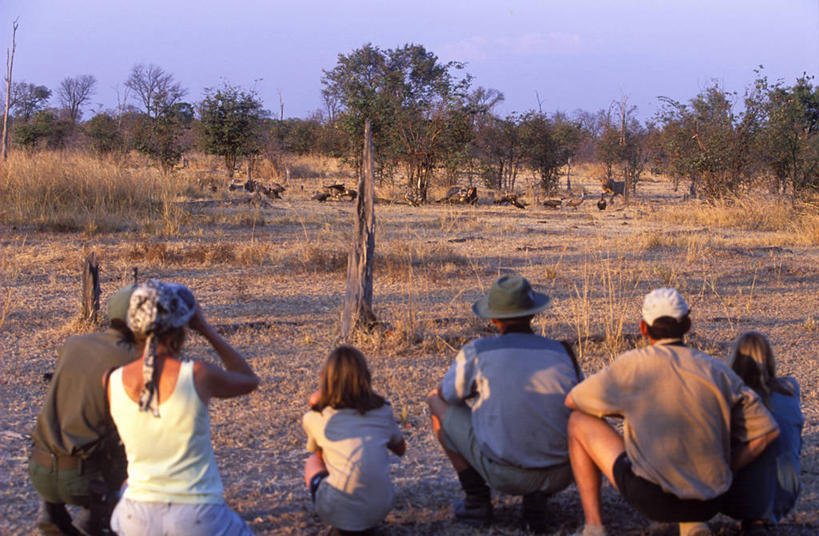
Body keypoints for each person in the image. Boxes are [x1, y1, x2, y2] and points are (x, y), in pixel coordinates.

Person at [564, 288, 781, 536]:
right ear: (687, 324)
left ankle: (594, 528)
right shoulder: (717, 371)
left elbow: (573, 400)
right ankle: (692, 525)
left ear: (643, 328)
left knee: (578, 421)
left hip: (654, 499)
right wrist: (728, 467)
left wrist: (628, 410)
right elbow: (768, 431)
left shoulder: (633, 365)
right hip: (711, 500)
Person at [426, 274, 582, 532]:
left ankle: (476, 499)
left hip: (506, 475)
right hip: (562, 473)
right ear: (533, 314)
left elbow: (446, 396)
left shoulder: (479, 350)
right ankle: (537, 499)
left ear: (493, 318)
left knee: (435, 401)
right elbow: (578, 404)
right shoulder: (562, 351)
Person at [107, 280, 259, 536]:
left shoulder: (111, 380)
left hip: (136, 514)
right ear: (180, 330)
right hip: (197, 513)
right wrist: (205, 328)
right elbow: (248, 380)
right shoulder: (198, 375)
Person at [29, 285, 141, 536]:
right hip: (82, 479)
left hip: (38, 469)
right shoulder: (134, 361)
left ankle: (51, 512)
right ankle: (93, 519)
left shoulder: (74, 343)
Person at [302, 345, 406, 535]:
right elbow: (400, 449)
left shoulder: (315, 417)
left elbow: (319, 453)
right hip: (381, 507)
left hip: (337, 509)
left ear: (324, 377)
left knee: (313, 461)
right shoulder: (382, 409)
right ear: (366, 377)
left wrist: (317, 400)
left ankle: (340, 514)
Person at [721, 332, 803, 534]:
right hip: (788, 489)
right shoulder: (791, 389)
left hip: (741, 494)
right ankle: (759, 519)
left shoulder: (735, 398)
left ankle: (751, 515)